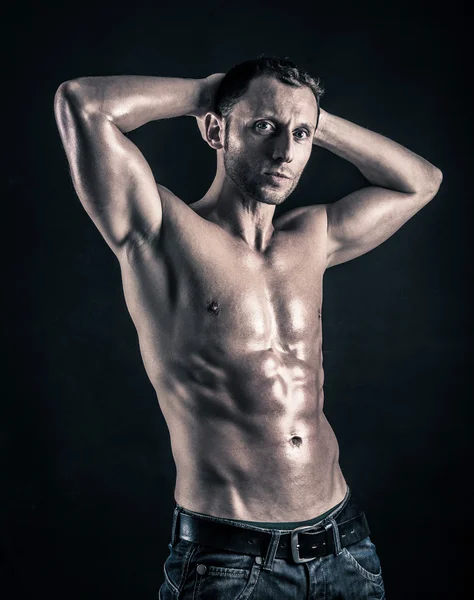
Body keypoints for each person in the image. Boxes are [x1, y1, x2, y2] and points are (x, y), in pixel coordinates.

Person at [54, 56, 442, 599]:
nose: (285, 153)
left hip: (345, 549)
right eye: (264, 128)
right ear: (217, 130)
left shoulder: (312, 236)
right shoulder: (159, 230)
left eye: (299, 136)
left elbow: (421, 182)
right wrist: (209, 93)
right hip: (231, 565)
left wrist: (307, 117)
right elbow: (83, 103)